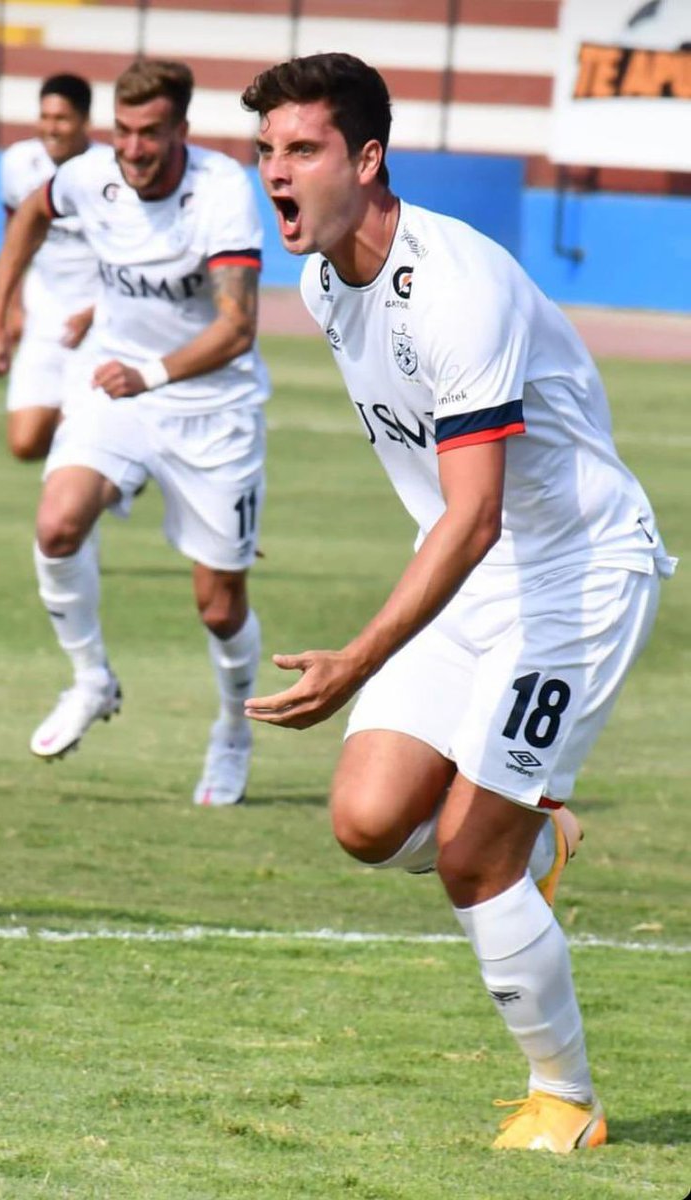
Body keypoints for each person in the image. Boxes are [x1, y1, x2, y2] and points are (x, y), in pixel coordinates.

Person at [240, 53, 675, 1151]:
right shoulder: (322, 282)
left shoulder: (455, 287)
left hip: (573, 579)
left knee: (469, 857)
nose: (275, 175)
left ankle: (563, 1101)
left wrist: (359, 657)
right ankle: (540, 840)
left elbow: (475, 513)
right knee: (368, 822)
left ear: (368, 158)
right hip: (477, 573)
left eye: (301, 150)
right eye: (264, 152)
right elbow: (458, 519)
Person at [0, 58, 270, 807]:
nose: (134, 150)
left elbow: (237, 329)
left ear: (182, 132)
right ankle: (91, 678)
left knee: (219, 605)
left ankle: (234, 729)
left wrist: (155, 373)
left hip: (212, 410)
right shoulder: (92, 175)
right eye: (125, 132)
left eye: (152, 134)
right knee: (58, 523)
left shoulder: (223, 191)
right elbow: (34, 214)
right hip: (118, 391)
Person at [0, 73, 101, 461]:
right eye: (45, 117)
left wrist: (97, 311)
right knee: (25, 444)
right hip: (43, 313)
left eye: (61, 118)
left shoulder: (107, 170)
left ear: (84, 121)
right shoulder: (18, 162)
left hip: (97, 324)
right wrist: (12, 306)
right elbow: (16, 235)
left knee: (80, 448)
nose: (51, 128)